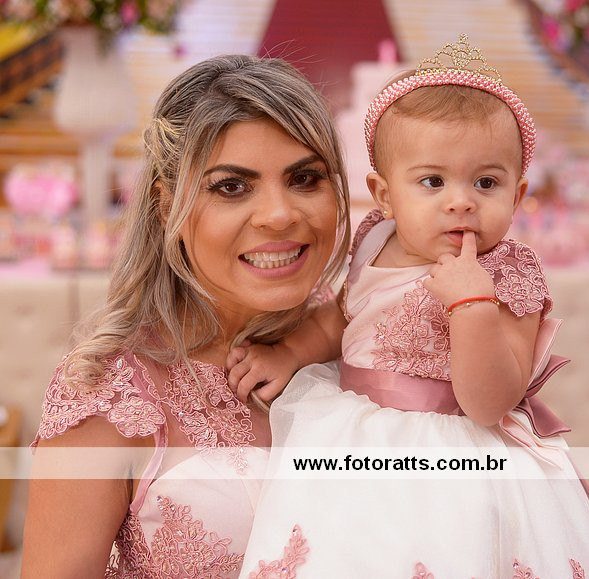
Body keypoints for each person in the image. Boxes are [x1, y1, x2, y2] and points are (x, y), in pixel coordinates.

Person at [229, 36, 589, 578]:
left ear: (517, 195)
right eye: (432, 181)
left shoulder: (507, 272)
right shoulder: (375, 239)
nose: (460, 201)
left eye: (486, 182)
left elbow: (491, 403)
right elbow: (341, 319)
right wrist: (289, 354)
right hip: (352, 431)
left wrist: (472, 305)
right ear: (385, 194)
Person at [21, 54, 351, 578]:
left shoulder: (363, 336)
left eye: (305, 178)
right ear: (166, 204)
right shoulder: (111, 395)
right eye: (231, 186)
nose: (280, 214)